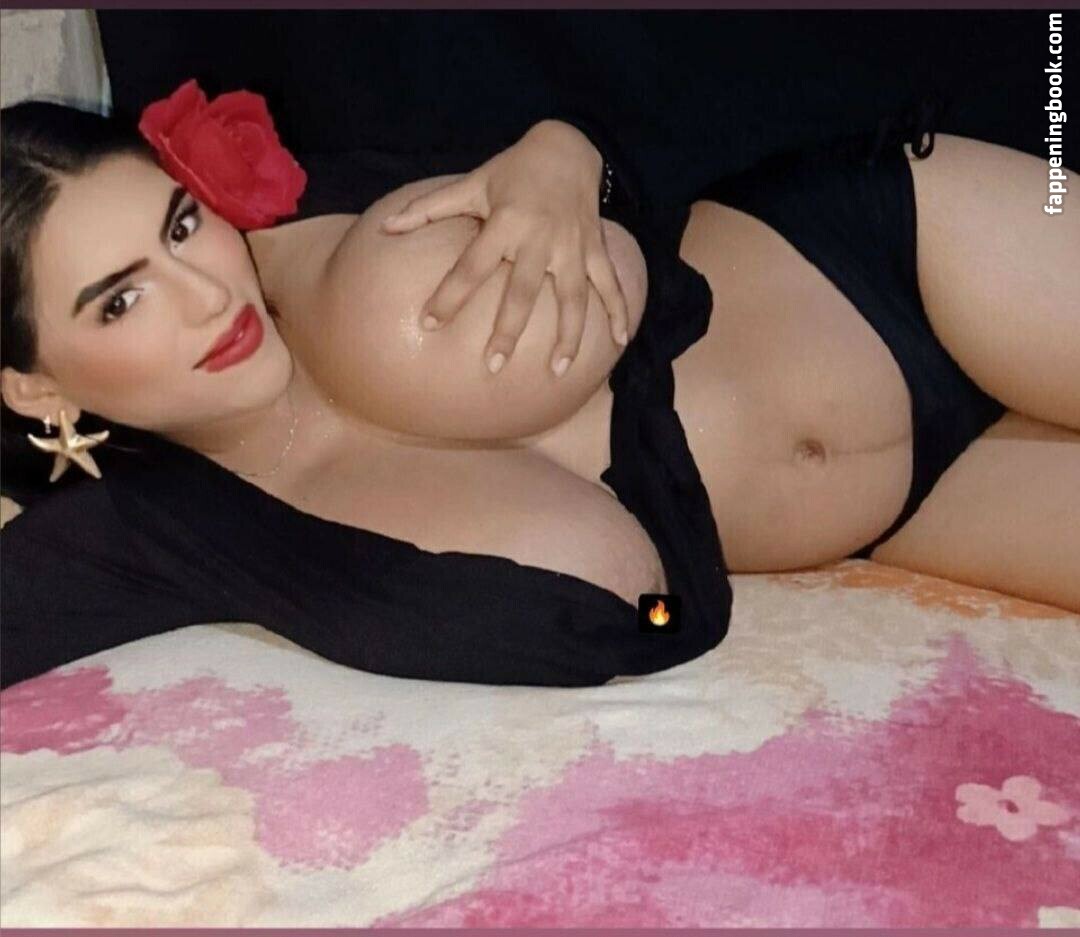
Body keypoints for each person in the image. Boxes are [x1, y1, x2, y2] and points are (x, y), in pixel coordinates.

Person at [1, 87, 1076, 691]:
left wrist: (563, 155)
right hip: (915, 509)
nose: (204, 294)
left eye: (182, 226)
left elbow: (578, 156)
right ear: (35, 388)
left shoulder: (332, 256)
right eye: (120, 301)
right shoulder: (157, 538)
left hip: (896, 256)